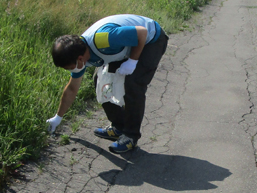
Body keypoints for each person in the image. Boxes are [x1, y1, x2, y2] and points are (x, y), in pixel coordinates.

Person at [46, 14, 168, 153]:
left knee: (133, 85)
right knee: (100, 82)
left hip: (151, 39)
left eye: (69, 68)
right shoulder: (79, 53)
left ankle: (130, 136)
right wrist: (58, 118)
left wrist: (133, 61)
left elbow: (142, 32)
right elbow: (72, 89)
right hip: (127, 45)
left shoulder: (104, 40)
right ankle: (118, 127)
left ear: (80, 59)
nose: (71, 71)